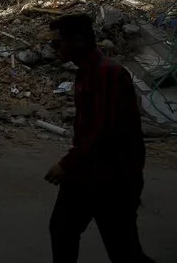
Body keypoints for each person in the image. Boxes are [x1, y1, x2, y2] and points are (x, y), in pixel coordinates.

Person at [45, 14, 154, 263]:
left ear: (78, 40)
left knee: (123, 249)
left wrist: (67, 164)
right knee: (62, 229)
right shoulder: (86, 73)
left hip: (112, 178)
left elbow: (101, 130)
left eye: (58, 42)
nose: (54, 49)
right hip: (88, 172)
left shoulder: (108, 74)